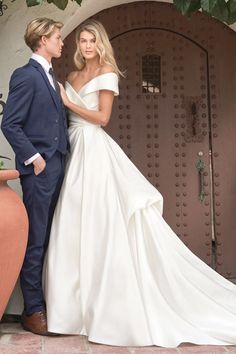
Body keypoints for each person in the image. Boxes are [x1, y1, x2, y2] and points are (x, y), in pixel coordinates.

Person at [44, 19, 236, 347]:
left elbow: (103, 118)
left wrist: (69, 103)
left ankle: (109, 306)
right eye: (83, 41)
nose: (86, 46)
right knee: (73, 222)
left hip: (94, 149)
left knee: (102, 220)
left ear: (101, 43)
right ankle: (72, 310)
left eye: (92, 41)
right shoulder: (74, 76)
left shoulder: (106, 73)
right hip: (73, 148)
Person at [1, 18, 69, 335]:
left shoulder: (52, 77)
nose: (62, 42)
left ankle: (52, 304)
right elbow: (10, 124)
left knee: (52, 237)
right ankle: (33, 311)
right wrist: (34, 157)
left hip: (58, 166)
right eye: (57, 37)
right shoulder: (26, 76)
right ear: (42, 39)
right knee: (37, 239)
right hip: (39, 170)